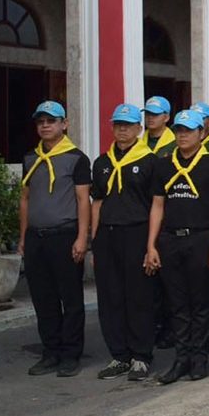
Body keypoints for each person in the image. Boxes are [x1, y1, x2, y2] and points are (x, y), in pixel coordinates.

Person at [146, 109, 209, 384]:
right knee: (177, 303)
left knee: (201, 302)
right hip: (170, 239)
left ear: (201, 133)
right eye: (179, 130)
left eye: (188, 131)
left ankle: (199, 359)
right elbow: (158, 205)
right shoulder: (164, 164)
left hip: (201, 238)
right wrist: (151, 245)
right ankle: (181, 359)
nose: (182, 135)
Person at [19, 100, 91, 377]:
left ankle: (71, 354)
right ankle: (51, 351)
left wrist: (82, 238)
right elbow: (25, 199)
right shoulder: (31, 158)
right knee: (43, 298)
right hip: (36, 238)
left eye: (51, 121)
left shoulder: (76, 158)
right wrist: (23, 236)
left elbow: (83, 200)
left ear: (64, 124)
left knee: (70, 298)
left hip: (65, 236)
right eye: (41, 122)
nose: (45, 126)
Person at [90, 104, 159, 382]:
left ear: (139, 129)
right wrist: (94, 238)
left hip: (137, 232)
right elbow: (98, 201)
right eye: (118, 124)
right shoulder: (102, 162)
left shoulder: (150, 161)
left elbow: (156, 205)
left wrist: (151, 245)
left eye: (128, 125)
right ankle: (119, 354)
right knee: (110, 297)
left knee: (139, 297)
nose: (122, 129)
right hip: (107, 234)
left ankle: (141, 356)